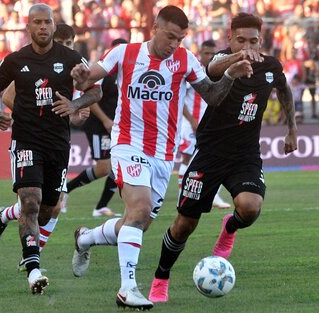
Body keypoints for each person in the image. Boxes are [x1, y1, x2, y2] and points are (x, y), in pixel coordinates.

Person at [69, 5, 257, 310]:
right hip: (128, 145)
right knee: (139, 210)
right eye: (170, 37)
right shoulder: (125, 53)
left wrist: (230, 77)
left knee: (137, 222)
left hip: (163, 155)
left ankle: (85, 239)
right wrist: (80, 75)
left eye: (180, 39)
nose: (174, 44)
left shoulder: (185, 59)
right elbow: (91, 75)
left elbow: (210, 95)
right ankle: (127, 289)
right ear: (155, 29)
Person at [148, 12, 298, 303]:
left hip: (245, 155)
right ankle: (160, 277)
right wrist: (237, 58)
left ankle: (229, 226)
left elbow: (283, 88)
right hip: (210, 153)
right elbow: (213, 69)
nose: (248, 46)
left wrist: (291, 127)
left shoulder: (270, 66)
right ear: (230, 39)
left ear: (261, 40)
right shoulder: (221, 60)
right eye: (240, 40)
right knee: (183, 225)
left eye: (253, 41)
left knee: (250, 207)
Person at [0, 4, 101, 295]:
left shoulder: (72, 58)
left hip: (58, 145)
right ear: (28, 27)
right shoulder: (15, 60)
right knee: (31, 202)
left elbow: (96, 89)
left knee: (49, 210)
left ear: (52, 24)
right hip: (26, 140)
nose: (43, 27)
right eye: (37, 22)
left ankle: (4, 215)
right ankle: (33, 269)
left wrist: (75, 104)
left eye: (47, 22)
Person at [60, 38, 129, 218]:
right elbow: (91, 97)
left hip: (115, 125)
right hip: (98, 124)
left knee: (118, 165)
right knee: (104, 168)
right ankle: (66, 189)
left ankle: (101, 207)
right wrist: (106, 120)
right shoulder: (103, 70)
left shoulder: (127, 71)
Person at [179, 39, 231, 209]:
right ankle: (183, 195)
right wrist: (192, 120)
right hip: (191, 123)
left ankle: (212, 195)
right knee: (187, 158)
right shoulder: (194, 69)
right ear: (200, 53)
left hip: (209, 124)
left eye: (212, 53)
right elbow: (182, 99)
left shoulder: (218, 71)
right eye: (206, 53)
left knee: (212, 158)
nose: (209, 56)